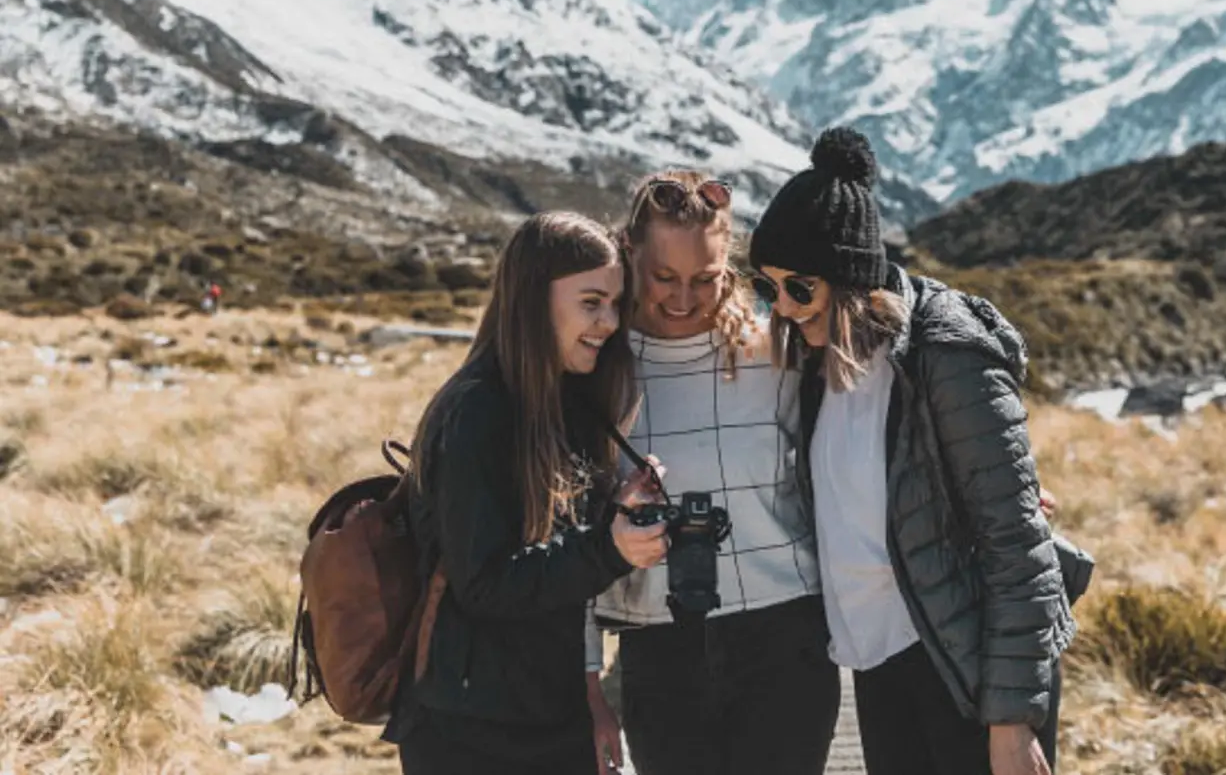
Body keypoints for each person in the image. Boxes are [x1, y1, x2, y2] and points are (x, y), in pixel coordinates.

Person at [748, 128, 1074, 775]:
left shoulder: (946, 360)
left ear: (849, 281)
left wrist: (1010, 722)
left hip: (964, 668)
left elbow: (1020, 550)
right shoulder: (817, 365)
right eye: (767, 286)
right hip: (880, 661)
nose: (781, 309)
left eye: (800, 289)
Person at [381, 212, 670, 775]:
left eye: (615, 304)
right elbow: (486, 583)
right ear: (533, 299)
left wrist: (618, 509)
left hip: (546, 713)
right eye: (591, 302)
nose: (609, 323)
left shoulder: (563, 400)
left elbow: (551, 558)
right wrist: (609, 550)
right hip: (469, 732)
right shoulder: (476, 412)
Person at [584, 171, 840, 775]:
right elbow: (569, 536)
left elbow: (862, 454)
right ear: (629, 255)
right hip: (657, 650)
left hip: (788, 642)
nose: (682, 298)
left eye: (705, 278)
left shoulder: (779, 352)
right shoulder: (598, 372)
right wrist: (588, 685)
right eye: (663, 278)